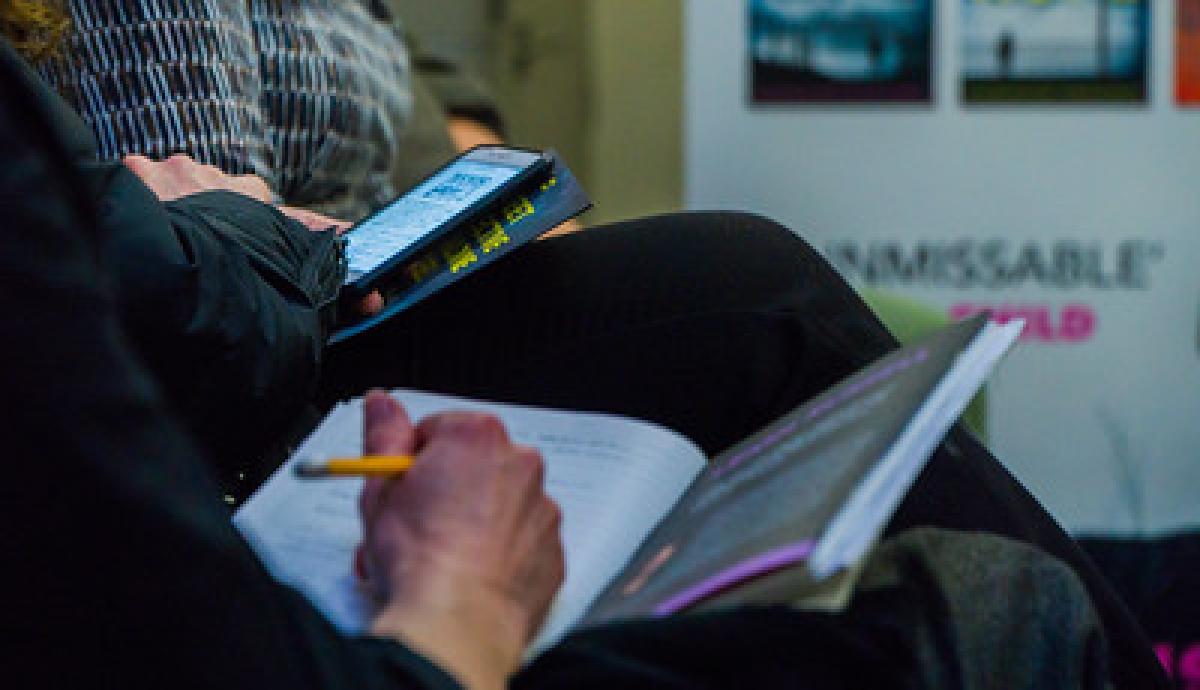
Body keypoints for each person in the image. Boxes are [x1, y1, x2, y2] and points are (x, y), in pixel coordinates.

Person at [0, 31, 1170, 688]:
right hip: (276, 348)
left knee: (757, 304)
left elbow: (405, 71)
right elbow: (164, 267)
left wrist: (463, 167)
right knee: (982, 597)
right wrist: (453, 607)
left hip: (317, 282)